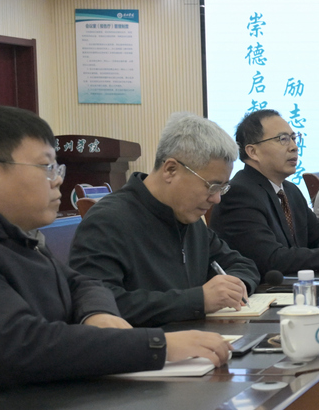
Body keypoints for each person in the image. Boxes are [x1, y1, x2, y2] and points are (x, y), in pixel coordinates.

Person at [0, 106, 230, 410]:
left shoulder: (6, 232)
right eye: (46, 168)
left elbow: (82, 283)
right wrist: (158, 346)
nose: (57, 182)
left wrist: (97, 313)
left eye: (57, 168)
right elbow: (24, 345)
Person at [69, 112, 261, 326]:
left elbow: (241, 264)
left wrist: (235, 286)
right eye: (212, 186)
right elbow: (98, 305)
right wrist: (197, 300)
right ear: (171, 170)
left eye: (222, 188)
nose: (216, 199)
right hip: (145, 344)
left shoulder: (189, 220)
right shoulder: (107, 222)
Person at [213, 109, 319, 273]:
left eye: (294, 138)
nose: (294, 147)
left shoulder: (290, 191)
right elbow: (272, 260)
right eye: (283, 139)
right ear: (253, 152)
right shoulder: (240, 193)